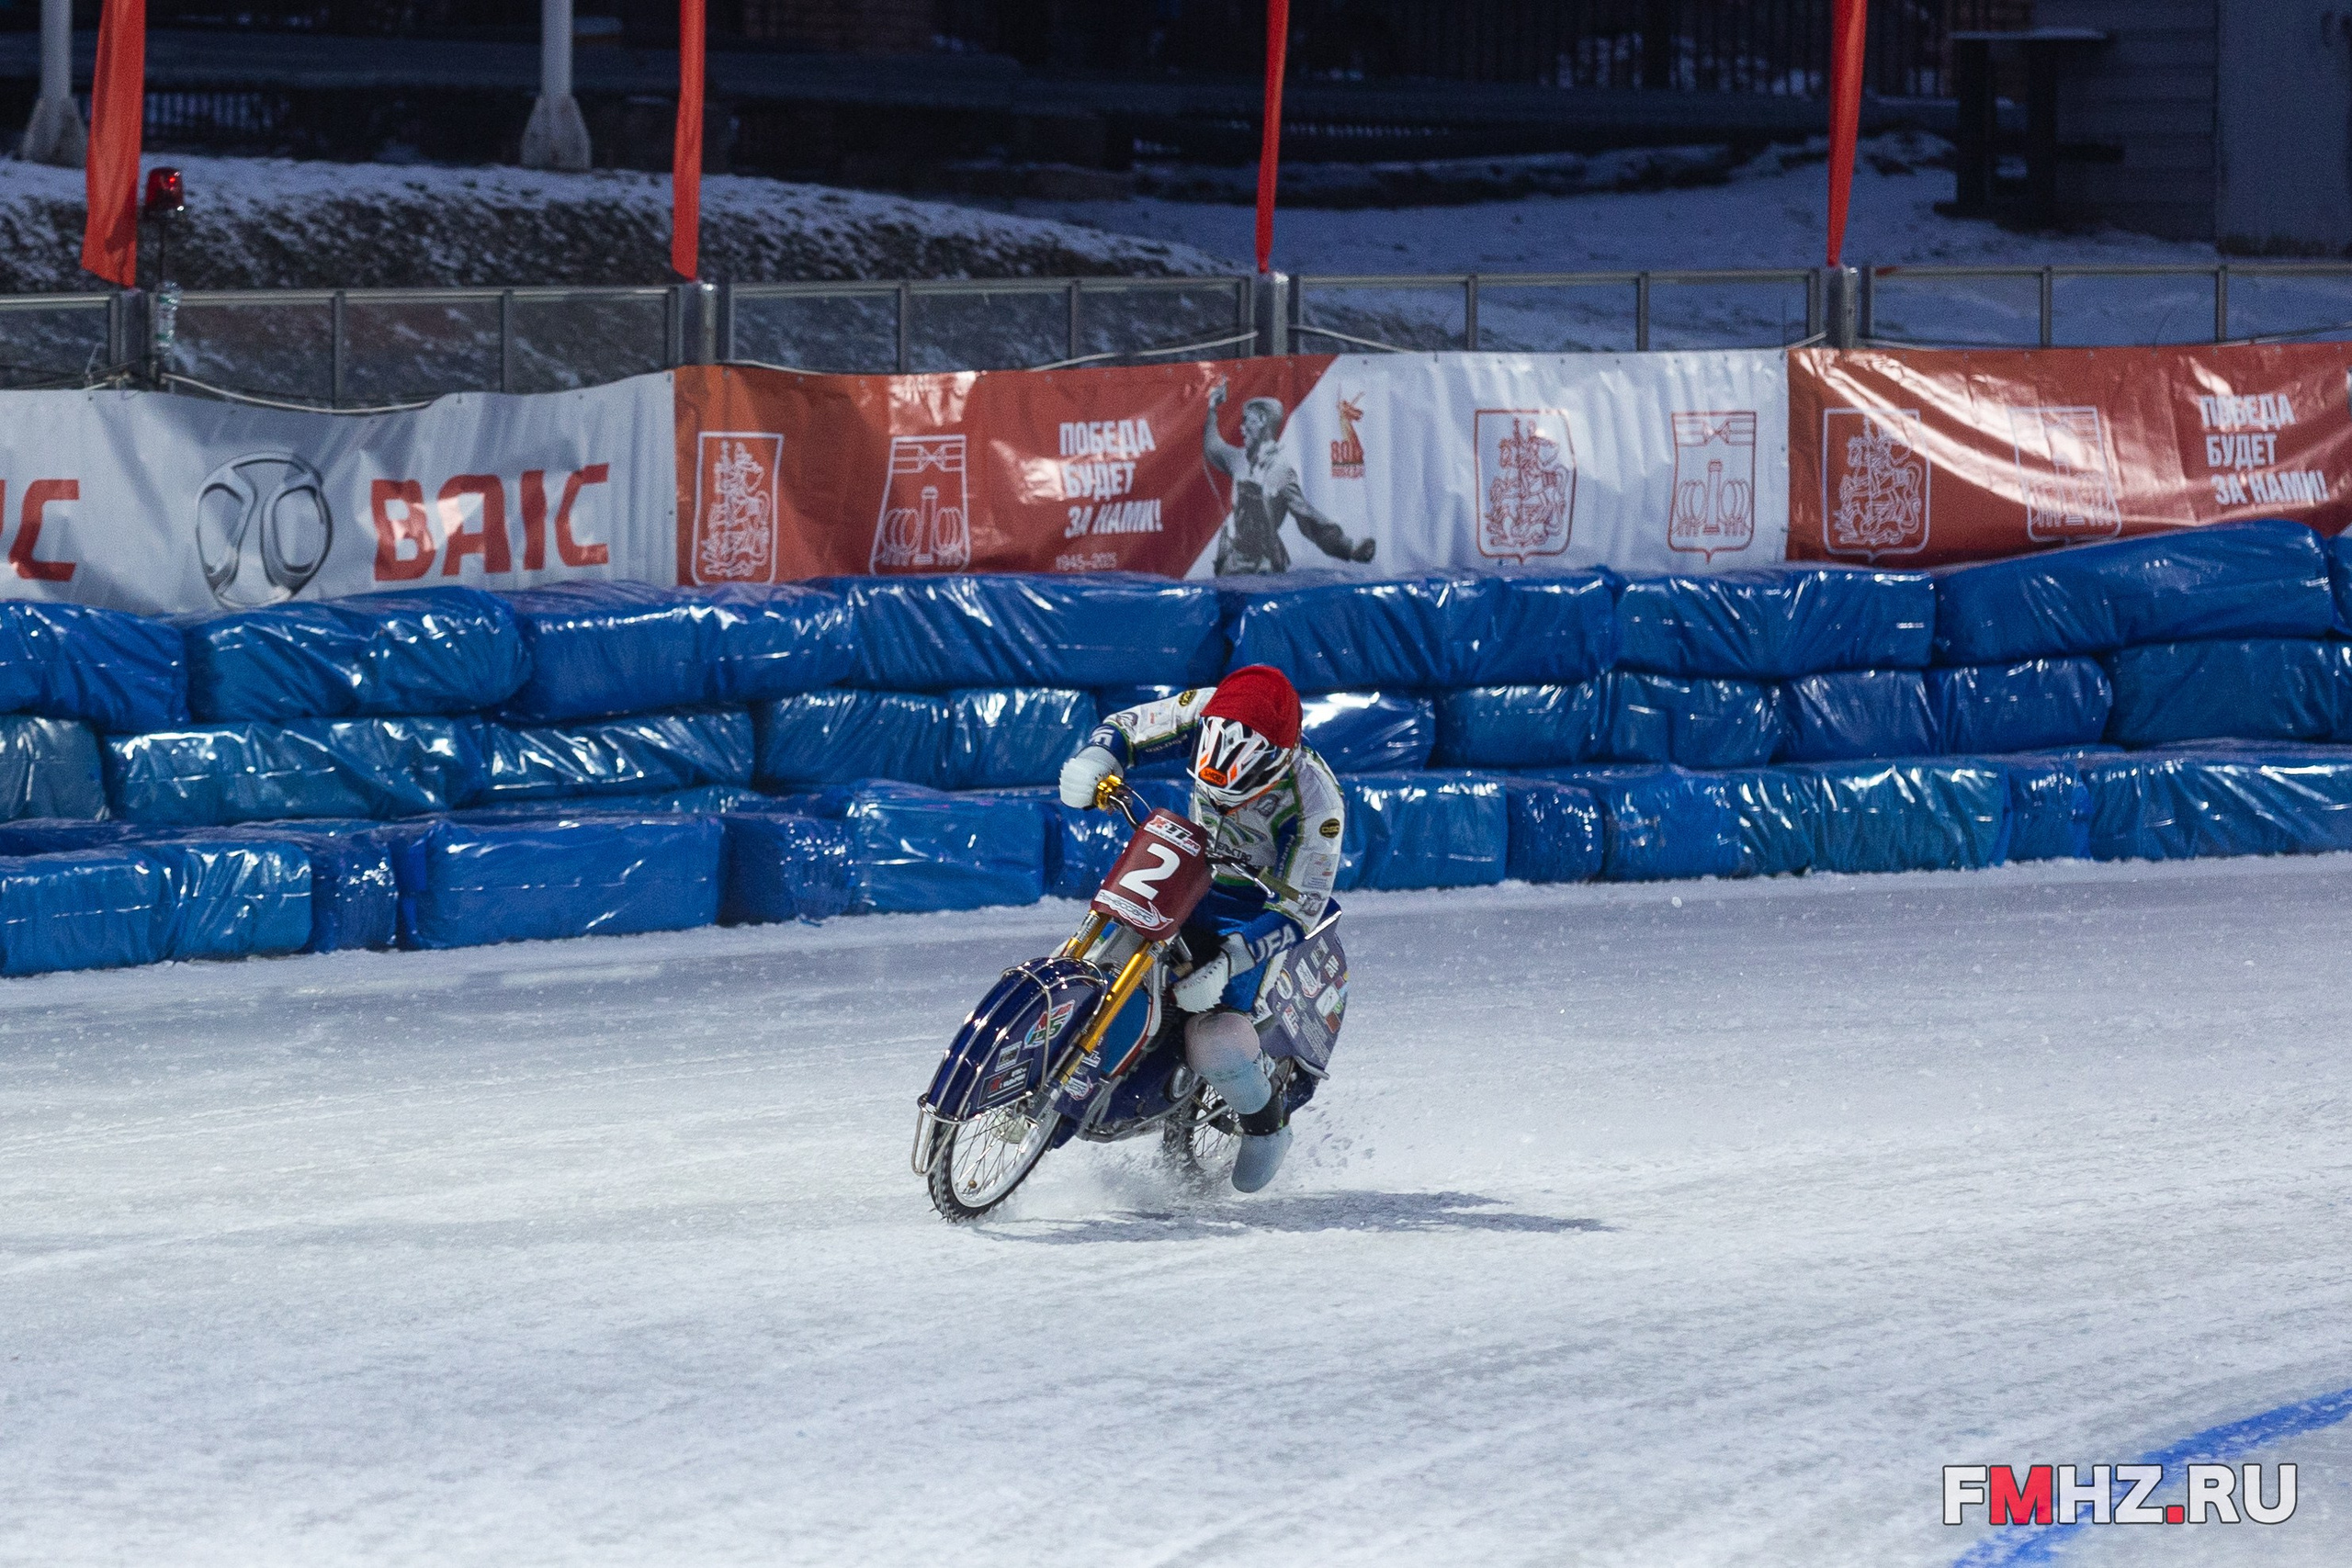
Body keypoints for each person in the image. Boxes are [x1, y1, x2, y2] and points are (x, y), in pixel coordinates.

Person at [1057, 664, 1342, 1193]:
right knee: (1100, 944)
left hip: (1254, 906)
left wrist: (1230, 962)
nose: (1227, 804)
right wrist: (1097, 758)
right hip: (1188, 860)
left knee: (1216, 1042)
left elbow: (1301, 908)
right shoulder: (1206, 708)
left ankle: (1267, 1127)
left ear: (1280, 763)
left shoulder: (1318, 802)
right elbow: (1127, 726)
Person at [1203, 380, 1378, 574]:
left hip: (1263, 571)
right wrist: (1212, 408)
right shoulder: (1239, 459)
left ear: (1262, 420)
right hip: (1231, 566)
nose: (1241, 428)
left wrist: (1349, 548)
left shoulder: (1280, 471)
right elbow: (1213, 448)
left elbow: (1309, 519)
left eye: (1246, 420)